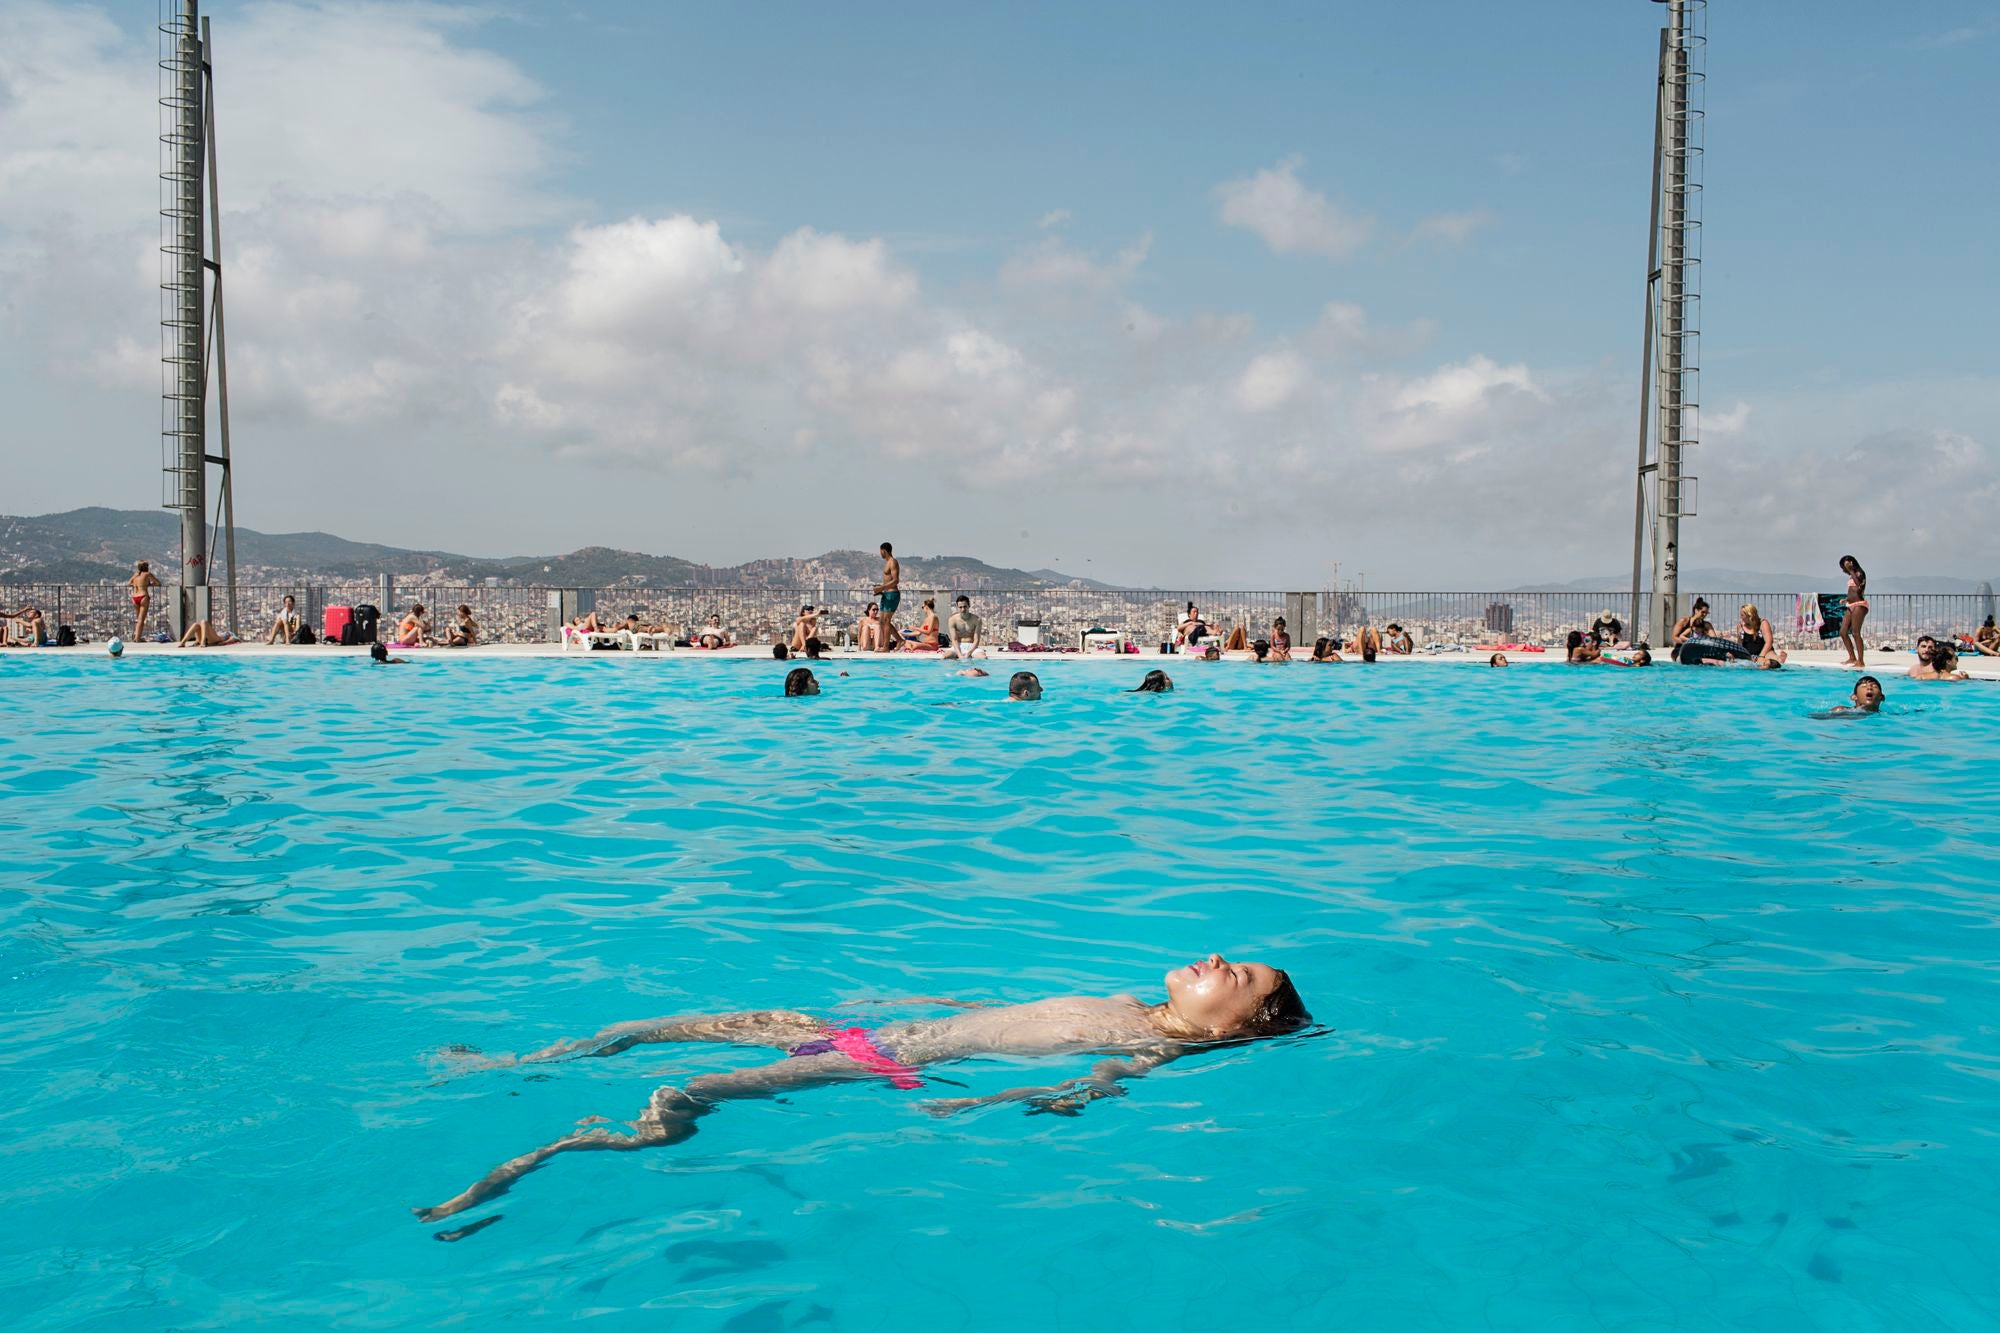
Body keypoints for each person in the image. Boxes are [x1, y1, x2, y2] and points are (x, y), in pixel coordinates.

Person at [412, 953, 1310, 1230]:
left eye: (1242, 977)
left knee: (687, 1089)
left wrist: (985, 1104)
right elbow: (1004, 1010)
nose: (1221, 960)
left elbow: (1088, 1083)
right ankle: (516, 1063)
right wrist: (920, 1003)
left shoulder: (1154, 1047)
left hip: (870, 1061)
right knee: (650, 1025)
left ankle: (572, 1146)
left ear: (1238, 1024)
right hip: (866, 1029)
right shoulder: (1124, 1000)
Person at [1837, 556, 1869, 668]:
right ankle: (1852, 657)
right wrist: (1847, 599)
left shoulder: (1860, 573)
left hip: (1859, 605)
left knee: (1856, 633)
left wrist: (1851, 570)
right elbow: (1852, 591)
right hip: (1850, 604)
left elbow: (1859, 587)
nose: (1844, 570)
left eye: (1844, 567)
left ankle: (1860, 661)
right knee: (1843, 631)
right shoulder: (1852, 575)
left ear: (1850, 563)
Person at [1736, 603, 1788, 668]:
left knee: (1771, 661)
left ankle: (1779, 659)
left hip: (1765, 652)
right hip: (1749, 655)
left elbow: (1769, 642)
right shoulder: (1740, 626)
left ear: (1749, 615)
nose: (1741, 617)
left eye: (1742, 615)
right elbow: (1740, 646)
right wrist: (1739, 636)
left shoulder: (1763, 623)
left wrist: (1761, 656)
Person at [872, 542, 901, 653]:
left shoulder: (893, 562)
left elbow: (896, 580)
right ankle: (899, 640)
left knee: (887, 620)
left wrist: (881, 588)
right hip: (886, 594)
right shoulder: (887, 562)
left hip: (892, 594)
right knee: (883, 621)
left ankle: (886, 647)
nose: (880, 553)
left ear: (884, 550)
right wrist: (881, 590)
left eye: (880, 551)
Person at [1813, 676, 1885, 718]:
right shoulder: (1841, 710)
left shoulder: (1885, 715)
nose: (1869, 688)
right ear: (1854, 697)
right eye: (1864, 686)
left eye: (1874, 686)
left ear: (1882, 697)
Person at [128, 561, 162, 640]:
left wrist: (136, 585)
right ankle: (137, 638)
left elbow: (129, 583)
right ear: (146, 567)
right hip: (143, 596)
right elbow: (158, 583)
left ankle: (137, 637)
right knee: (141, 619)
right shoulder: (147, 574)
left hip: (134, 597)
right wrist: (149, 584)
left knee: (138, 619)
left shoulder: (135, 575)